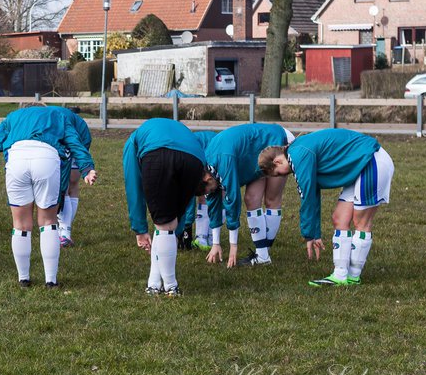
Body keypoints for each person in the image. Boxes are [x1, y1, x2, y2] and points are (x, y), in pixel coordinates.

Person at [0, 106, 96, 288]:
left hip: (17, 159)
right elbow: (74, 142)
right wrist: (86, 168)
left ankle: (23, 279)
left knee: (20, 224)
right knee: (48, 222)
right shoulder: (57, 115)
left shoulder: (12, 116)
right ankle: (51, 281)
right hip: (46, 158)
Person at [257, 128, 395, 287]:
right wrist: (313, 234)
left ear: (277, 162)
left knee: (361, 222)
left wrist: (309, 234)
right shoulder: (297, 151)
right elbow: (313, 191)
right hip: (359, 165)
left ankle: (353, 276)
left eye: (278, 174)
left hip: (371, 160)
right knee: (339, 218)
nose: (282, 177)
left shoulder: (298, 154)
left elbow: (307, 195)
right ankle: (340, 275)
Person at [121, 118, 217, 296]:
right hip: (194, 159)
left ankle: (171, 286)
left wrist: (140, 230)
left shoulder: (132, 142)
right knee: (167, 227)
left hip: (158, 153)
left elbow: (133, 186)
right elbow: (184, 206)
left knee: (164, 226)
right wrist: (177, 231)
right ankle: (154, 283)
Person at [203, 123, 295, 268]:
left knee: (271, 199)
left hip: (276, 140)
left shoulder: (223, 161)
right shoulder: (208, 167)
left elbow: (232, 199)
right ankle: (263, 255)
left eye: (207, 190)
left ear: (207, 179)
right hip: (253, 153)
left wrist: (233, 246)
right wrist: (216, 243)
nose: (208, 194)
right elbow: (213, 200)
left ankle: (264, 254)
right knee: (251, 199)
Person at [52, 106, 92, 247]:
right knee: (65, 184)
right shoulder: (46, 117)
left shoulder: (54, 119)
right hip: (67, 137)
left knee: (69, 183)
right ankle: (62, 231)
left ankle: (64, 233)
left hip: (78, 138)